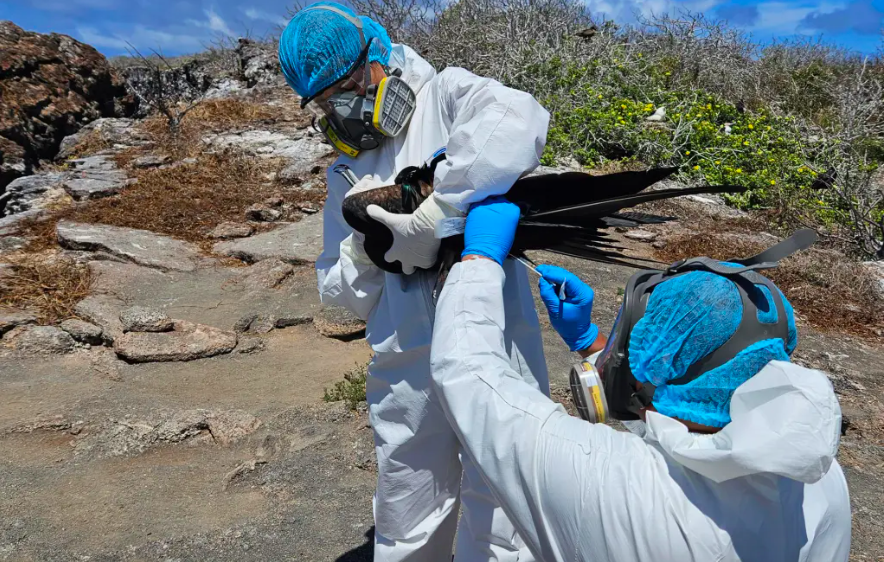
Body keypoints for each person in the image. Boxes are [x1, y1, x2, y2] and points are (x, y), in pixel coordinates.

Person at [430, 197, 852, 562]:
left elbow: (469, 374)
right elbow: (692, 444)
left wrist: (480, 260)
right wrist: (591, 344)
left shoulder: (602, 481)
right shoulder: (819, 477)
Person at [278, 5, 550, 561]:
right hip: (404, 358)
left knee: (502, 498)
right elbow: (340, 293)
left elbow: (517, 120)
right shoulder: (343, 171)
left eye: (349, 85)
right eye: (327, 101)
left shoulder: (448, 96)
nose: (343, 106)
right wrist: (369, 249)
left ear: (378, 55)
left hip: (493, 339)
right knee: (406, 501)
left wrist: (438, 212)